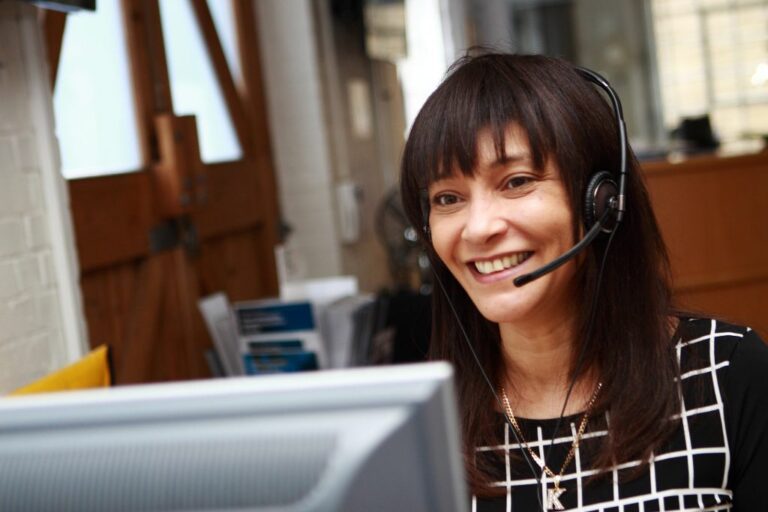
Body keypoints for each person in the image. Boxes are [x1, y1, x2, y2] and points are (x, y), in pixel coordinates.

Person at [399, 50, 768, 511]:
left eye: (515, 182)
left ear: (602, 202)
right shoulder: (423, 430)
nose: (477, 228)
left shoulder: (727, 374)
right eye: (448, 197)